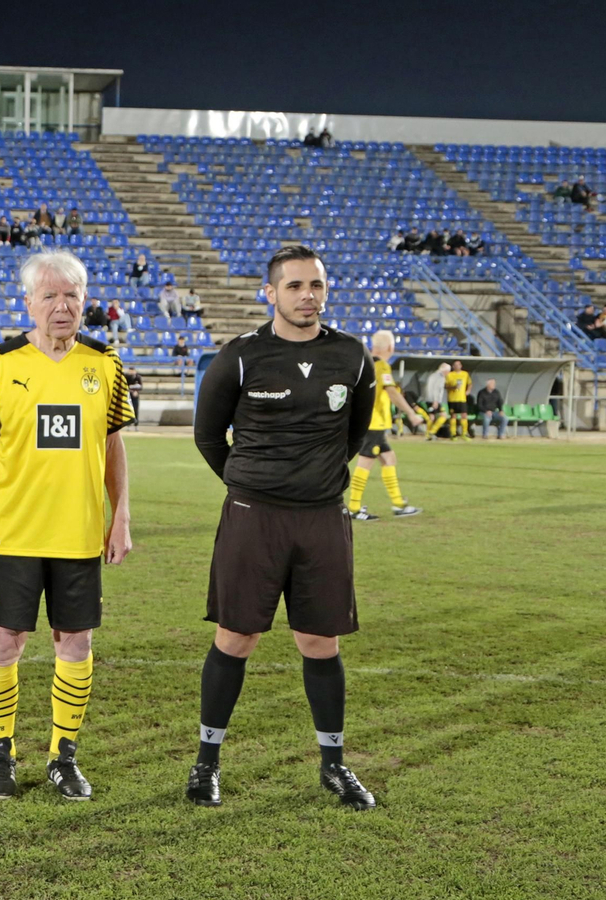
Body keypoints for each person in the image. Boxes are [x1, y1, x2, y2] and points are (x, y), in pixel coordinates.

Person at [188, 244, 378, 812]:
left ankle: (334, 765)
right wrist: (252, 486)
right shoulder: (241, 357)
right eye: (294, 286)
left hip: (323, 518)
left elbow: (355, 433)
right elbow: (207, 436)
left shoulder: (351, 355)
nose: (307, 296)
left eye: (315, 285)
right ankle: (206, 764)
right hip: (254, 518)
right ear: (270, 293)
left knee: (321, 642)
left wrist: (314, 482)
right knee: (235, 637)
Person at [0, 250, 135, 801]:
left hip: (80, 534)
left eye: (72, 296)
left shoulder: (106, 365)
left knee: (76, 644)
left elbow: (114, 446)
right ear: (29, 302)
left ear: (85, 302)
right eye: (50, 296)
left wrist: (121, 516)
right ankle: (1, 757)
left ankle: (63, 756)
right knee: (3, 642)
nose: (62, 307)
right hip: (12, 534)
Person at [347, 330, 425, 521]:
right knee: (366, 462)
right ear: (390, 348)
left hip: (370, 422)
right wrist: (411, 413)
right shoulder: (382, 366)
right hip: (373, 423)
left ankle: (398, 504)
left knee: (389, 458)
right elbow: (391, 392)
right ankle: (354, 507)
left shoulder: (365, 363)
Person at [445, 360, 473, 441]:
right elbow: (446, 386)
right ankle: (453, 434)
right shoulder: (449, 375)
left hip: (462, 398)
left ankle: (464, 433)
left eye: (459, 365)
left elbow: (470, 383)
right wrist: (453, 387)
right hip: (452, 399)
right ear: (453, 366)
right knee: (453, 415)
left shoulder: (465, 374)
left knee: (464, 415)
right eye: (455, 365)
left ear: (461, 366)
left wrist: (468, 391)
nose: (457, 366)